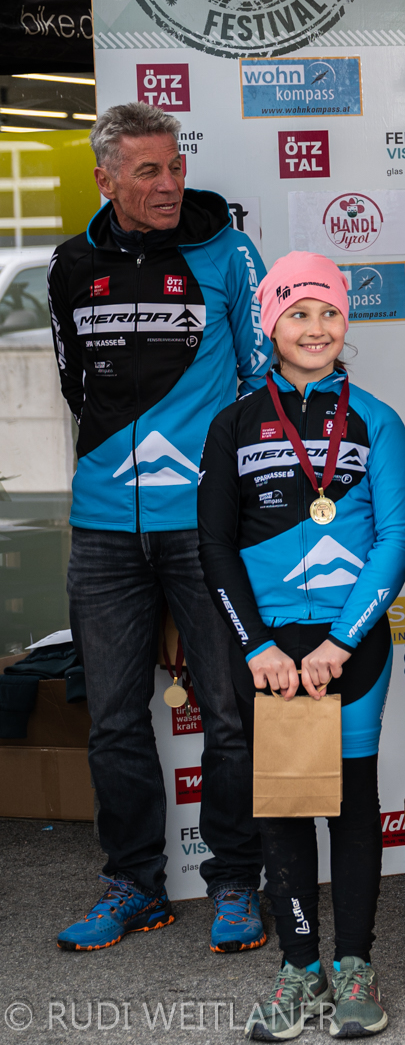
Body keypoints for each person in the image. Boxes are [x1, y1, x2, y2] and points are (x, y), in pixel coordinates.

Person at [46, 101, 269, 953]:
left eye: (175, 166)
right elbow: (76, 385)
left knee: (231, 712)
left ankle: (236, 881)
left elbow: (258, 381)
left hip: (203, 526)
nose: (170, 183)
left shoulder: (229, 252)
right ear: (105, 180)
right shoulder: (70, 264)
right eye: (149, 171)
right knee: (111, 719)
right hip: (104, 525)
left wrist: (224, 494)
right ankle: (133, 884)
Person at [198, 253, 405, 1040]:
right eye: (298, 314)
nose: (316, 328)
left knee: (353, 803)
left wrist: (341, 641)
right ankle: (300, 970)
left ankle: (354, 966)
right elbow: (214, 544)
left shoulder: (377, 419)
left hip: (348, 645)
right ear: (271, 325)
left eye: (329, 313)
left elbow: (396, 538)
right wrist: (257, 646)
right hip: (265, 651)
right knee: (285, 805)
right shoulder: (233, 423)